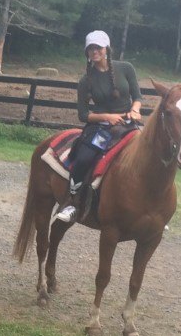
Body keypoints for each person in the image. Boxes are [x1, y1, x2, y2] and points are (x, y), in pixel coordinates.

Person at [53, 29, 143, 223]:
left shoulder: (126, 68)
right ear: (87, 52)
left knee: (151, 155)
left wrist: (135, 110)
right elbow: (83, 114)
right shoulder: (86, 81)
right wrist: (107, 117)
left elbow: (137, 96)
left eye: (98, 47)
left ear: (107, 49)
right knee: (84, 158)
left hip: (129, 124)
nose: (95, 52)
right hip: (101, 127)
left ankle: (152, 206)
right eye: (91, 48)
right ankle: (72, 202)